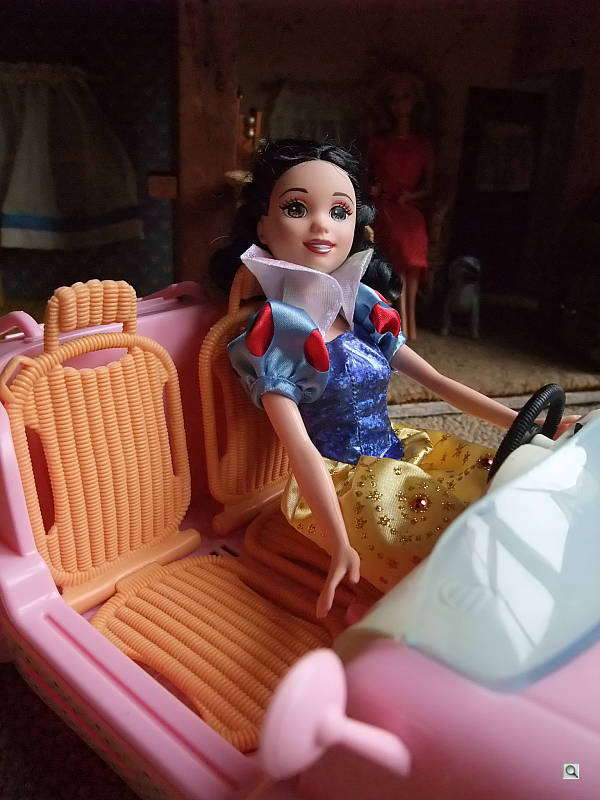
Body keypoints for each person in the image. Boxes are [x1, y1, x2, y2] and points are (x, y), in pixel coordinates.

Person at [209, 139, 577, 618]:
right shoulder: (280, 335)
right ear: (262, 224)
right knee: (451, 533)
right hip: (346, 483)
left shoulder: (362, 308)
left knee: (498, 478)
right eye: (296, 208)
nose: (321, 225)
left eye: (338, 211)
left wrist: (529, 425)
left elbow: (438, 381)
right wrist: (339, 542)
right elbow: (299, 449)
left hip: (397, 448)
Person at [367, 71, 434, 340]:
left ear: (415, 100)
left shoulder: (424, 145)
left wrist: (410, 196)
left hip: (409, 206)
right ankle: (400, 321)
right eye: (393, 99)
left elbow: (429, 186)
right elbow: (370, 178)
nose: (399, 104)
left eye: (405, 97)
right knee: (397, 238)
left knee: (414, 238)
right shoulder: (379, 143)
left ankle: (410, 322)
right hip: (384, 205)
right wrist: (376, 190)